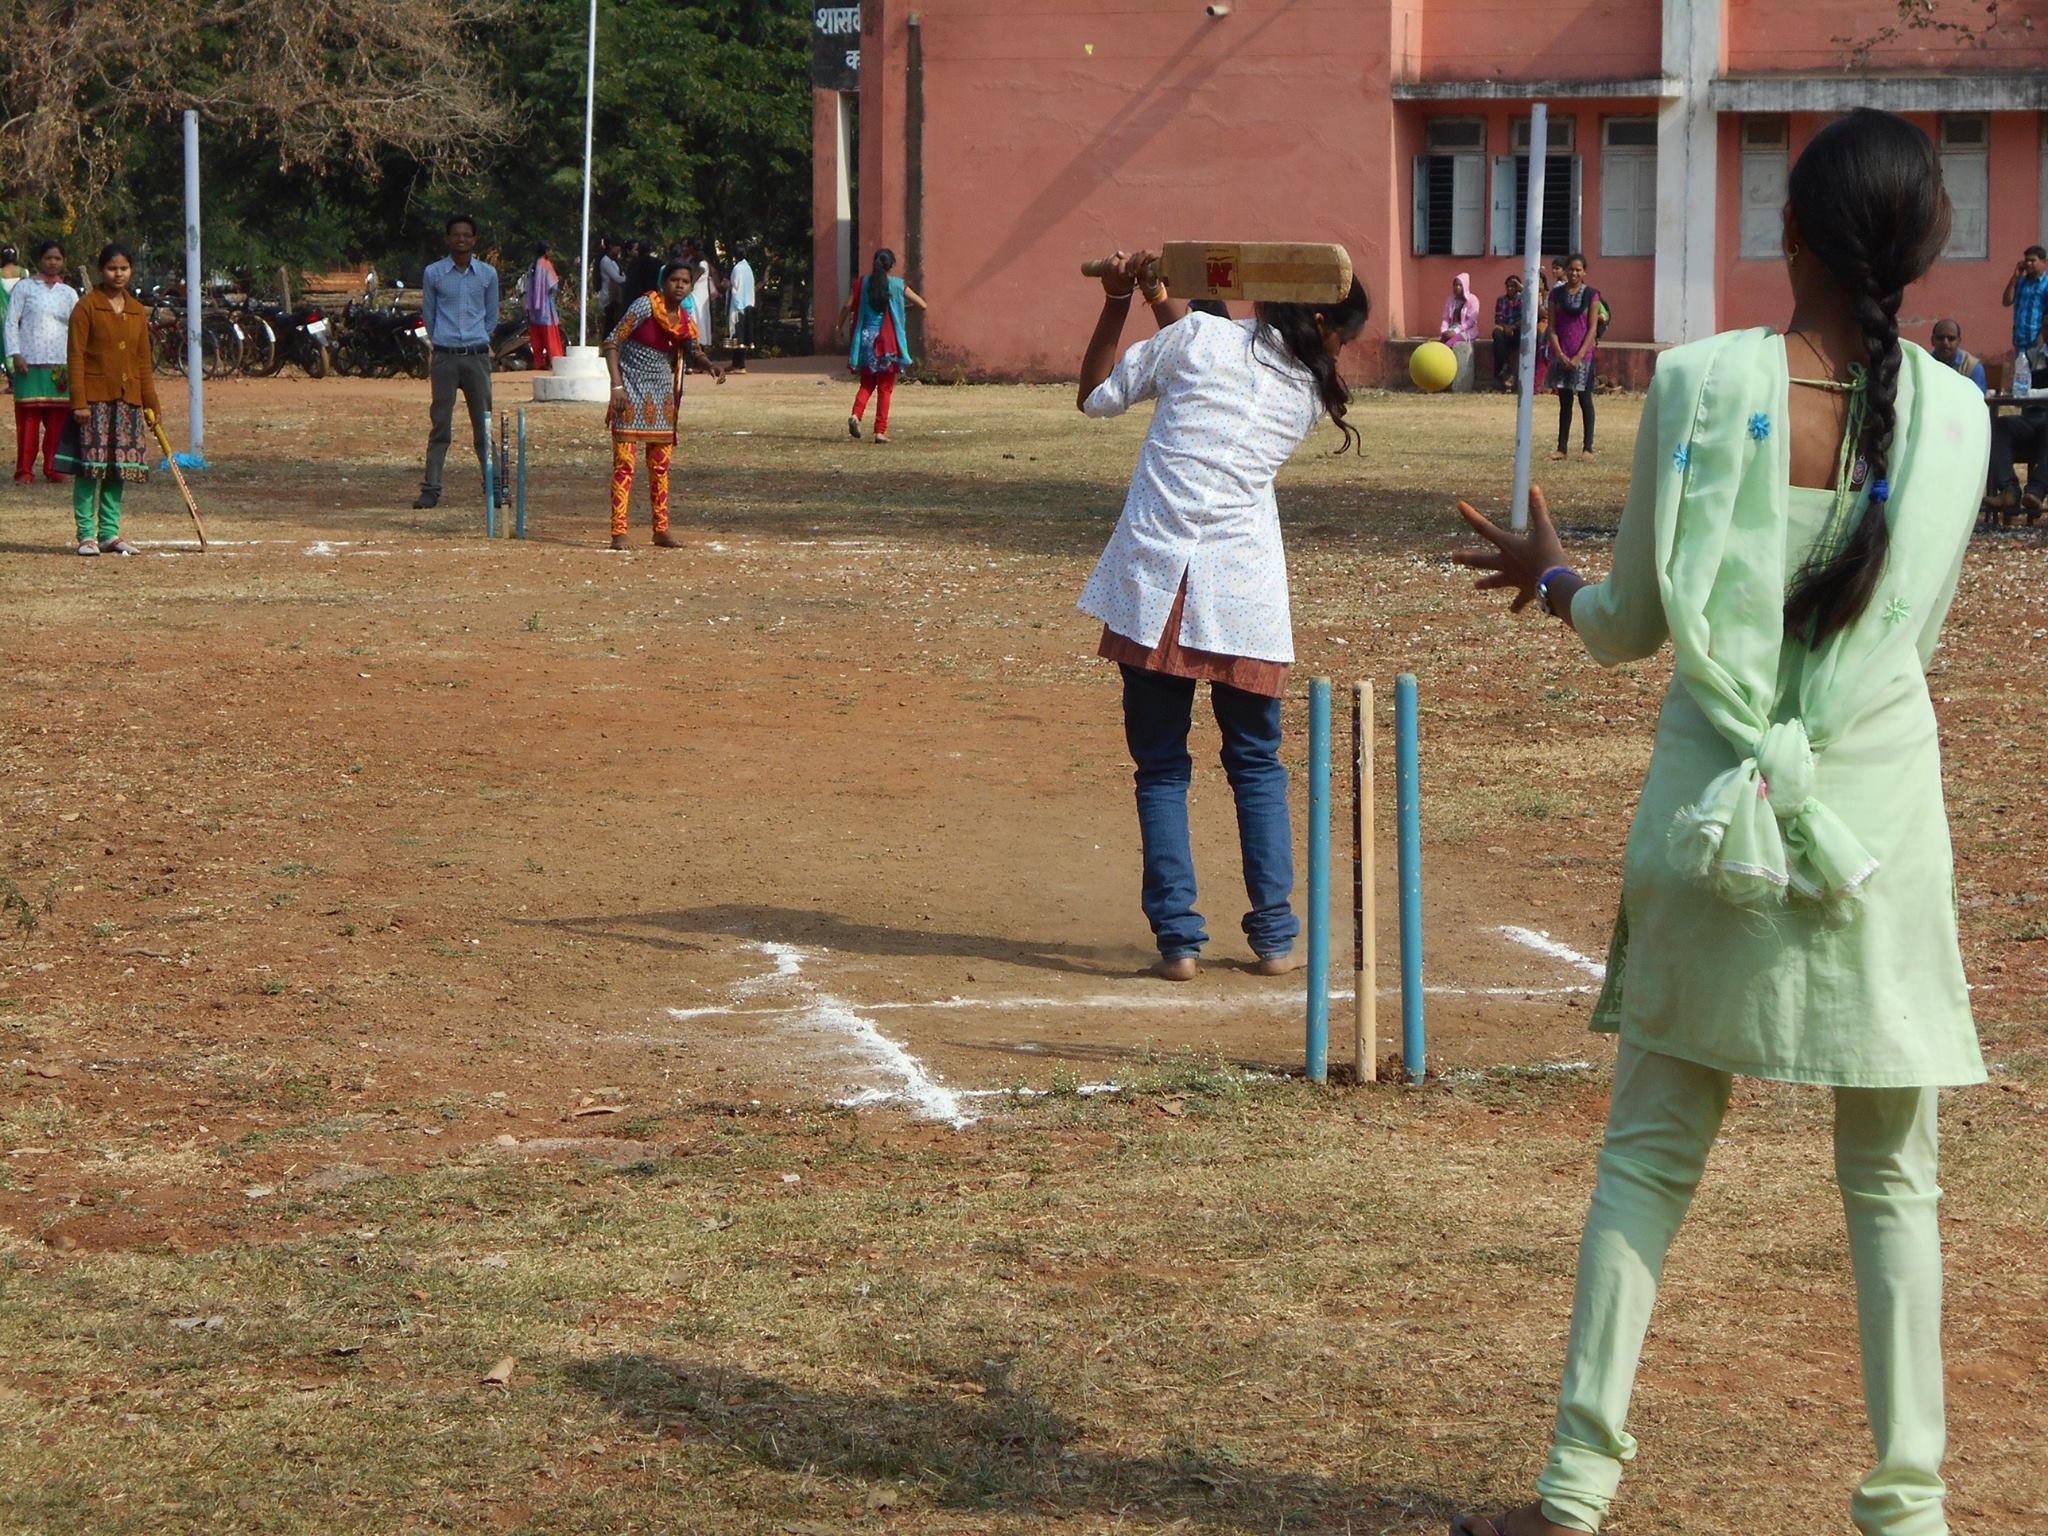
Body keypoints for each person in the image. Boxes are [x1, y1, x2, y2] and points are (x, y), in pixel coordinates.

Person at [1447, 108, 1986, 1536]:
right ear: (1928, 250)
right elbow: (1913, 627)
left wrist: (1552, 578)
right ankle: (1910, 1511)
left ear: (1788, 235)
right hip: (1873, 829)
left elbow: (1630, 629)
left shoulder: (1700, 384)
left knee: (1648, 1157)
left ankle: (1572, 1498)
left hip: (1715, 818)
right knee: (1892, 1180)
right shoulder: (1963, 414)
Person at [1074, 247, 1369, 981]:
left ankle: (1178, 942)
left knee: (1162, 768)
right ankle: (1274, 938)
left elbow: (1099, 395)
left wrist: (1118, 299)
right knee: (1257, 767)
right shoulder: (1306, 391)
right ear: (1323, 329)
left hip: (1156, 591)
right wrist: (1153, 290)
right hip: (1244, 597)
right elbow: (1206, 348)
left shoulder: (1200, 342)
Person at [603, 259, 724, 551]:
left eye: (685, 281)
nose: (680, 285)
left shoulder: (684, 318)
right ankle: (619, 531)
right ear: (663, 281)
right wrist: (616, 386)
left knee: (660, 468)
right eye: (675, 280)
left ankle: (661, 529)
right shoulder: (645, 306)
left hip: (662, 397)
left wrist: (710, 366)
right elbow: (611, 343)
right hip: (630, 393)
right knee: (625, 466)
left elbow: (694, 350)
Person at [55, 242, 159, 556]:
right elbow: (75, 357)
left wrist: (151, 403)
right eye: (113, 268)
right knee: (91, 469)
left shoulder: (136, 310)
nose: (118, 274)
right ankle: (86, 534)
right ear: (102, 270)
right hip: (94, 403)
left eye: (124, 268)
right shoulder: (87, 307)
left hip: (128, 403)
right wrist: (79, 402)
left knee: (118, 469)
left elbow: (143, 361)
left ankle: (110, 533)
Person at [412, 214, 498, 512]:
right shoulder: (434, 273)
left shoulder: (487, 274)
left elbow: (491, 316)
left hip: (476, 357)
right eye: (456, 235)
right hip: (446, 357)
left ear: (474, 240)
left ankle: (495, 488)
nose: (461, 239)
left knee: (483, 425)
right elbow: (430, 315)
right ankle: (431, 489)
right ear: (448, 239)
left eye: (467, 235)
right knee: (440, 426)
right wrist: (442, 343)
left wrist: (477, 338)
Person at [6, 240, 78, 484]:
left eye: (58, 258)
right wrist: (15, 354)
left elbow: (77, 328)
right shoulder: (25, 288)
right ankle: (24, 470)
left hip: (60, 365)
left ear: (63, 261)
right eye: (48, 257)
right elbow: (10, 322)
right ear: (40, 259)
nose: (53, 262)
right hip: (29, 363)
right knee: (28, 421)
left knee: (58, 421)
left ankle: (53, 468)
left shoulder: (69, 293)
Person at [838, 249, 926, 443]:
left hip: (866, 340)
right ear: (891, 265)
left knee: (867, 383)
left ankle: (855, 415)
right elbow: (922, 305)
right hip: (887, 343)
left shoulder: (862, 283)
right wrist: (902, 307)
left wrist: (838, 326)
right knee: (885, 388)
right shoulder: (896, 285)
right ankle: (879, 431)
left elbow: (847, 306)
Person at [1548, 253, 1601, 458]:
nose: (1574, 273)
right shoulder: (1556, 295)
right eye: (1571, 269)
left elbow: (1592, 328)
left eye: (1578, 269)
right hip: (1562, 353)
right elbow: (1551, 327)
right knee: (1565, 402)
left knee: (1585, 399)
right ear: (1565, 270)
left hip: (1583, 355)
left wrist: (1579, 355)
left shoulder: (1592, 295)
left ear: (1584, 272)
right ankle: (1562, 448)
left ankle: (1588, 447)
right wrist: (1559, 353)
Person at [1998, 243, 2047, 361]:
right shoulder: (2021, 282)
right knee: (2021, 374)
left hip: (2037, 341)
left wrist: (2042, 337)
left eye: (2033, 260)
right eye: (2026, 260)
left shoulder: (2046, 284)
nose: (2028, 264)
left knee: (2037, 375)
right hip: (2019, 341)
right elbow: (2006, 301)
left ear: (2044, 262)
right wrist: (2015, 277)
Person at [519, 241, 563, 371]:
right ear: (545, 251)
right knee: (551, 337)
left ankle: (539, 363)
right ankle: (556, 362)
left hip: (533, 308)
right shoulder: (546, 265)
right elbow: (553, 285)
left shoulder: (532, 265)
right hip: (545, 306)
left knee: (536, 339)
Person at [1438, 272, 1479, 392]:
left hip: (1467, 331)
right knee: (1440, 344)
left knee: (1448, 345)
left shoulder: (1473, 300)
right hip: (1451, 329)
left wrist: (1455, 331)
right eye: (1455, 285)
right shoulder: (1451, 300)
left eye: (1460, 285)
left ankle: (1449, 373)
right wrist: (1444, 331)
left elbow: (1470, 322)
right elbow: (1446, 318)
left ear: (1465, 286)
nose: (1457, 288)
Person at [1928, 318, 1984, 390]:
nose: (1945, 343)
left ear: (1958, 341)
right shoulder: (1924, 363)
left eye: (1951, 338)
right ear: (1932, 340)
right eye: (1940, 338)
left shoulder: (1972, 367)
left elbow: (1978, 398)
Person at [725, 246, 757, 371]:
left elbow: (736, 287)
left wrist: (728, 285)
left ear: (735, 256)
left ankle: (739, 364)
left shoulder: (737, 269)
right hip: (749, 303)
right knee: (743, 335)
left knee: (738, 335)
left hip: (739, 306)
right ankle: (737, 364)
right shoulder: (748, 268)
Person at [1491, 274, 1524, 391]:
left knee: (1522, 335)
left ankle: (1513, 375)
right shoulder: (1501, 300)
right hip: (1505, 330)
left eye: (1513, 286)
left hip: (1517, 330)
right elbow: (1498, 318)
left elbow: (1526, 317)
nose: (1510, 289)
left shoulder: (1523, 300)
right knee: (1496, 333)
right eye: (1508, 286)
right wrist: (1506, 328)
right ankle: (1505, 365)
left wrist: (1513, 327)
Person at [598, 238, 627, 334]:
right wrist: (626, 278)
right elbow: (617, 278)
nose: (619, 249)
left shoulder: (614, 261)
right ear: (611, 246)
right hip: (608, 297)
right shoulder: (605, 261)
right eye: (617, 246)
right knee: (609, 323)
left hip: (615, 296)